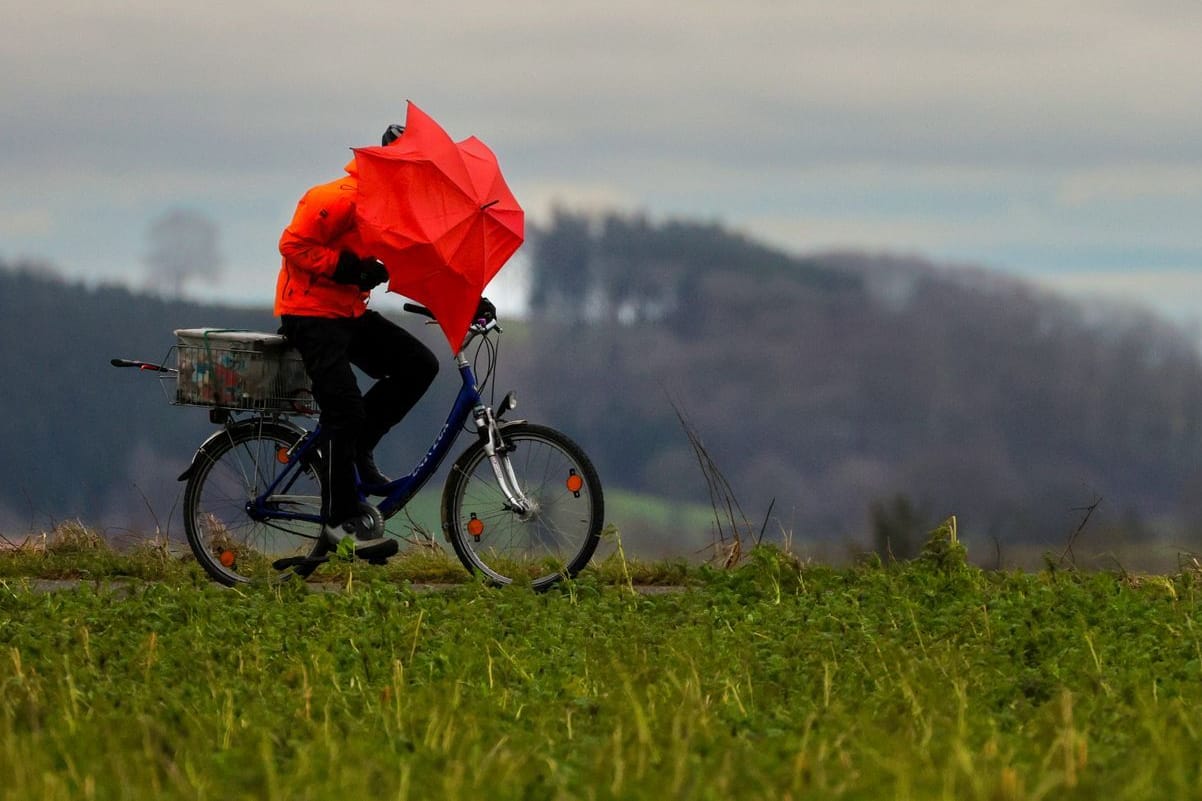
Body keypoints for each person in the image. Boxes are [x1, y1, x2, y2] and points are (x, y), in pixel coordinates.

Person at [274, 123, 448, 550]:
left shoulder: (390, 210)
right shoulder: (337, 198)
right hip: (309, 314)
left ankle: (356, 451)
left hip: (346, 312)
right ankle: (341, 520)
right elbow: (291, 245)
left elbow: (424, 263)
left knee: (419, 366)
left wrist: (470, 301)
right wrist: (350, 269)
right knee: (345, 413)